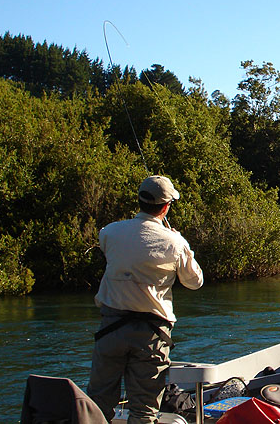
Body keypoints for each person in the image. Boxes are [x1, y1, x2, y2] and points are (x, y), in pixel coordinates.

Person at [87, 175, 203, 423]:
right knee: (144, 410)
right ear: (166, 206)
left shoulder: (109, 232)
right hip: (151, 336)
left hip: (110, 330)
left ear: (140, 200)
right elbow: (195, 282)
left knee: (98, 403)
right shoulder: (175, 243)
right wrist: (182, 244)